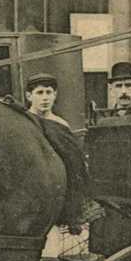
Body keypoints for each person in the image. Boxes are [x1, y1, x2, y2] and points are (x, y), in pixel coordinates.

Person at [23, 72, 101, 231]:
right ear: (29, 96)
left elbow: (74, 164)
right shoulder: (23, 122)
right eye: (39, 92)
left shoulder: (61, 125)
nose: (45, 98)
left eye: (49, 92)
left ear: (55, 95)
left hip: (57, 186)